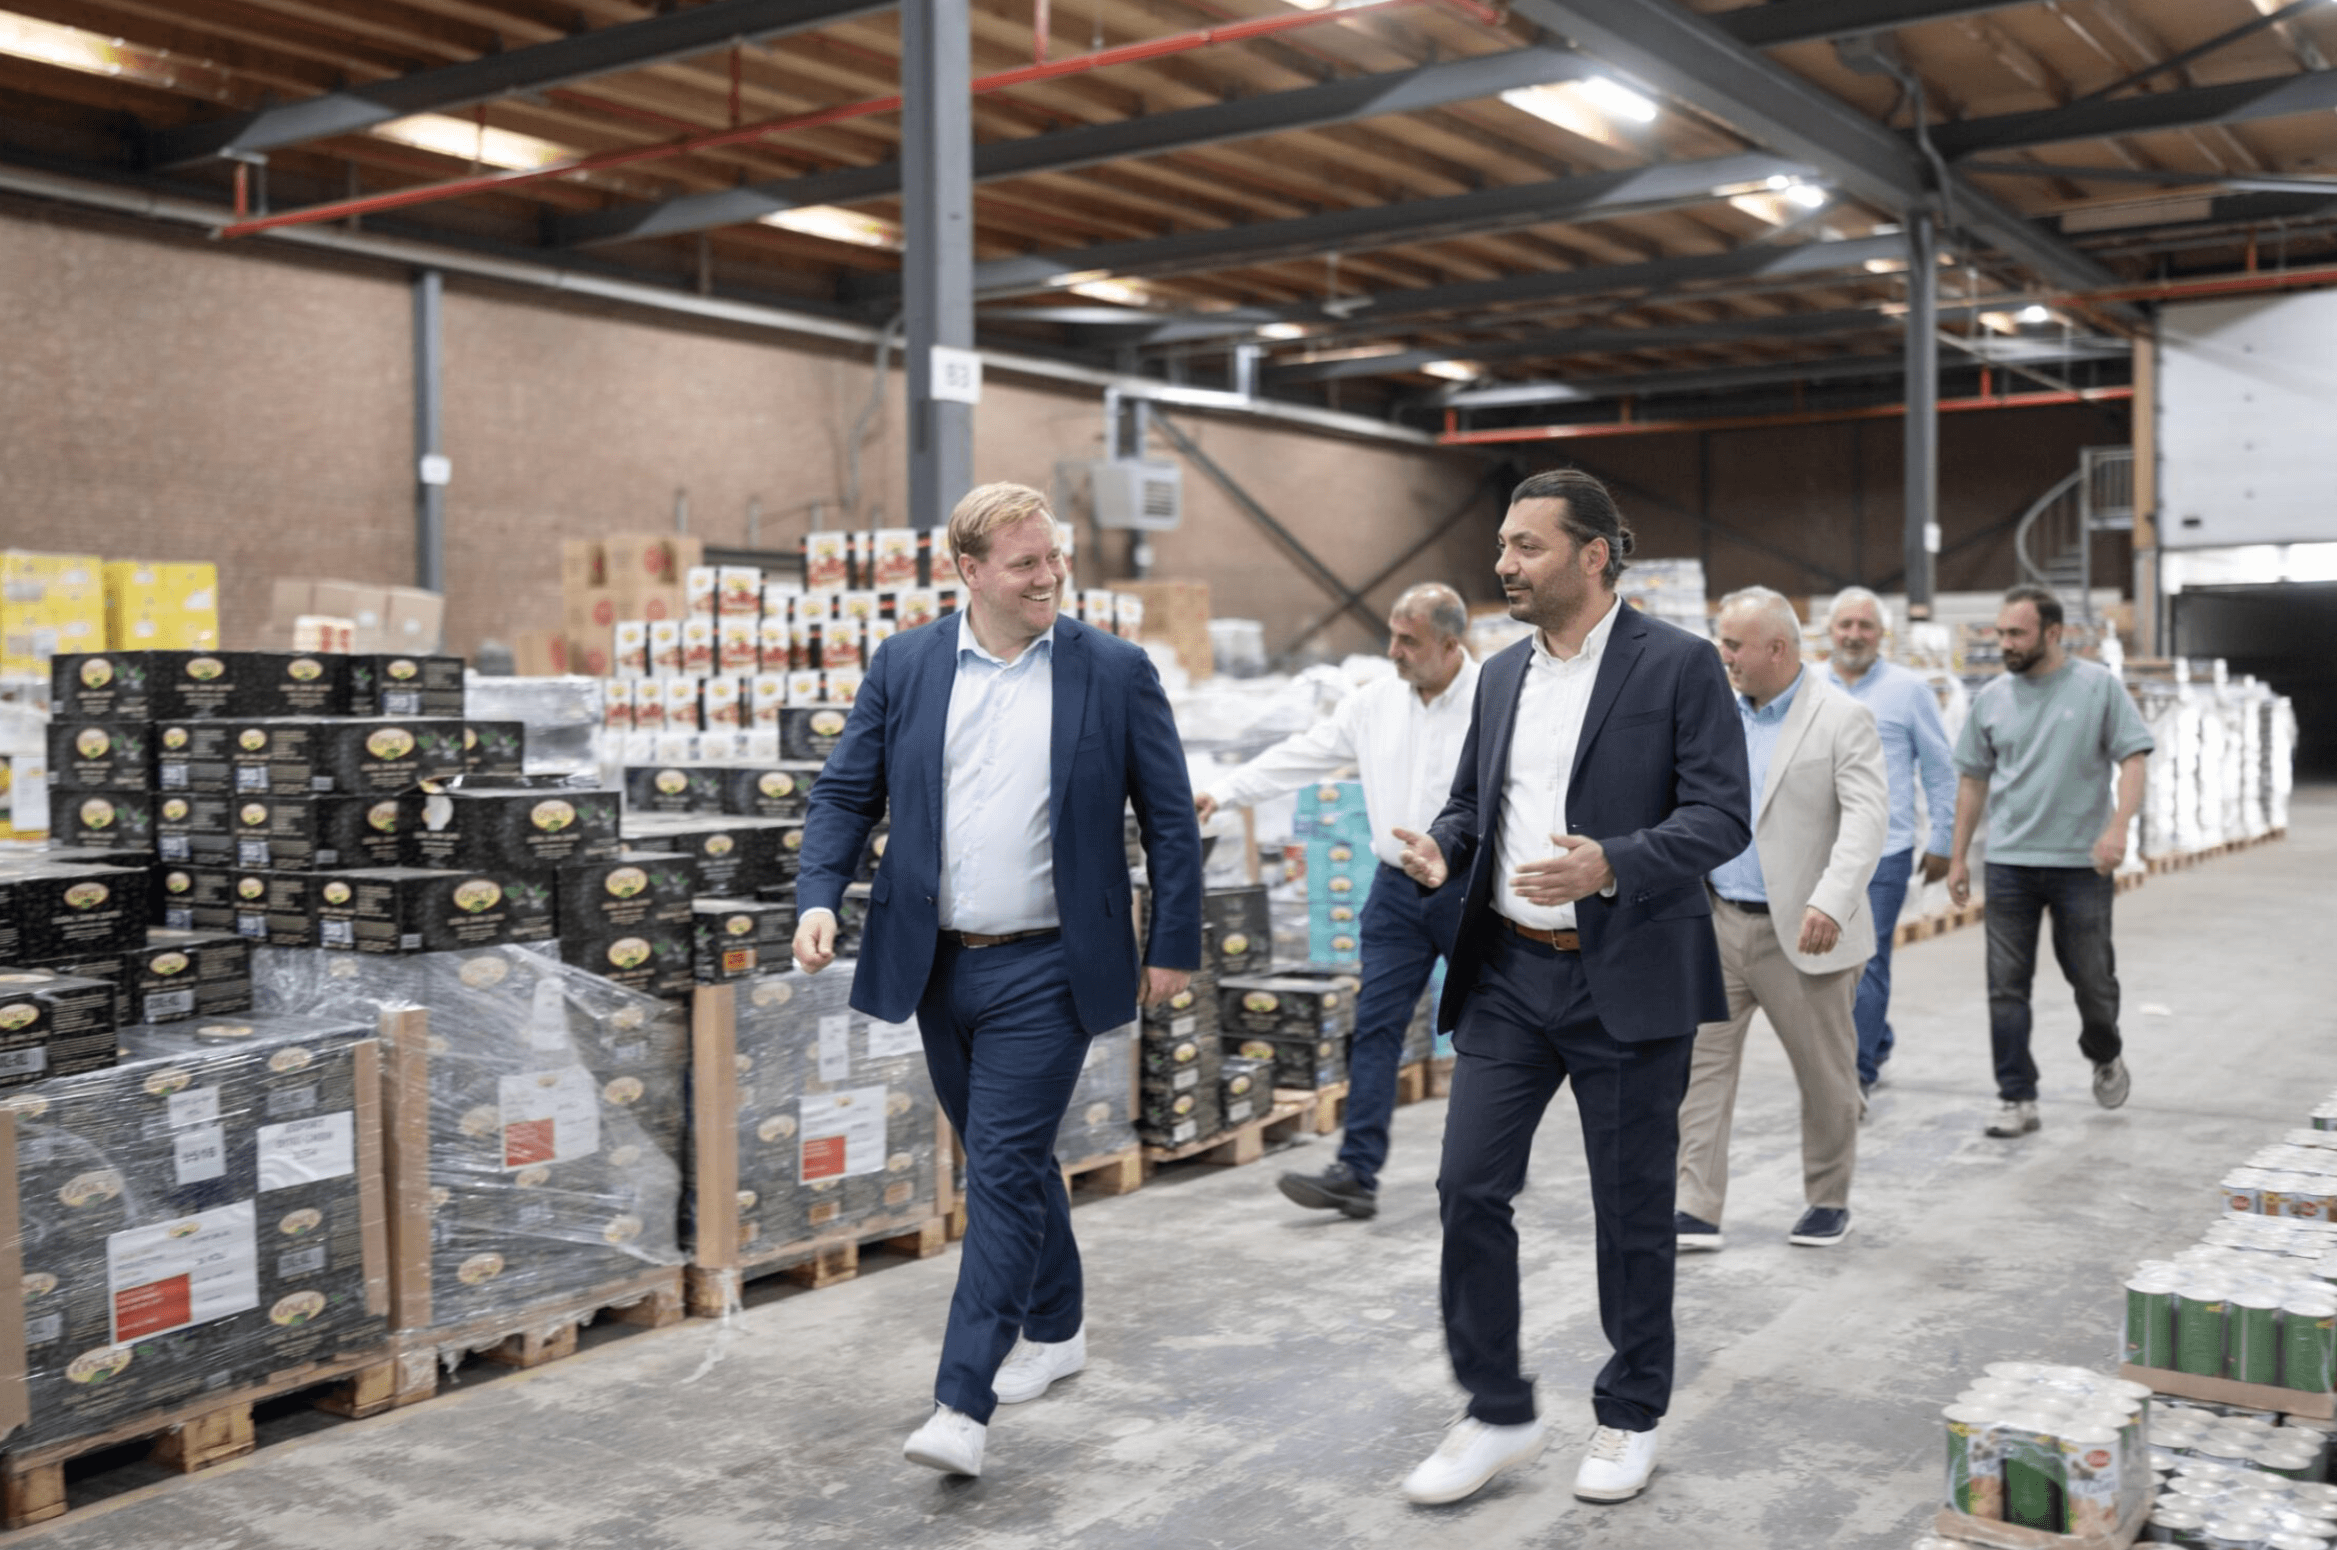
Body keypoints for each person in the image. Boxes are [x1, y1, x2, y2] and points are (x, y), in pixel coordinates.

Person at [792, 482, 1203, 1480]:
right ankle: (1059, 1327)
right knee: (1010, 1159)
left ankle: (961, 1398)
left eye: (1054, 557)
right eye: (1025, 562)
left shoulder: (1111, 670)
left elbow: (1172, 817)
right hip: (936, 960)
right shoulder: (909, 664)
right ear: (968, 570)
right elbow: (849, 786)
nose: (1049, 575)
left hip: (1052, 964)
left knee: (1000, 1169)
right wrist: (816, 892)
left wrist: (1174, 943)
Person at [1388, 468, 1751, 1508]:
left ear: (1594, 554)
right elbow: (1472, 803)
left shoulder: (1678, 666)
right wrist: (1442, 849)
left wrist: (1615, 861)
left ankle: (1630, 1411)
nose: (1504, 563)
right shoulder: (1501, 676)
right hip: (1507, 970)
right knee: (1467, 1185)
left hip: (1625, 977)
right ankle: (1496, 1407)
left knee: (1630, 1208)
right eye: (1503, 544)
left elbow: (1724, 815)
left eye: (1528, 546)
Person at [1194, 583, 1478, 1219]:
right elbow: (1306, 754)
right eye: (1394, 634)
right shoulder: (1374, 702)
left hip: (1470, 890)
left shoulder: (1495, 700)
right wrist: (1227, 791)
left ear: (1450, 643)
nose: (1394, 649)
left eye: (1410, 639)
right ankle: (1356, 1172)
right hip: (1395, 891)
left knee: (1490, 1033)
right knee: (1374, 1026)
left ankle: (1488, 1165)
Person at [1674, 588, 1888, 1254]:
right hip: (1717, 923)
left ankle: (1827, 1199)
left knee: (1824, 1076)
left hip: (1803, 927)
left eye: (1734, 644)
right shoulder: (1715, 714)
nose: (1723, 655)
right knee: (1699, 1071)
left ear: (1777, 648)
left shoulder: (1840, 718)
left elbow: (1865, 818)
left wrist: (1831, 898)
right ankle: (1694, 1206)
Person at [1944, 584, 2152, 1139]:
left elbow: (2134, 757)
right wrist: (1958, 856)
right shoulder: (1990, 700)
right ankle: (2016, 1096)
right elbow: (1972, 780)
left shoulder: (2097, 689)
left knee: (2092, 979)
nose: (2004, 644)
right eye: (2001, 633)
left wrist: (2118, 829)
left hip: (2081, 864)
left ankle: (2104, 1050)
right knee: (2006, 986)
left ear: (2053, 633)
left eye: (2017, 633)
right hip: (2011, 864)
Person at [1824, 587, 1958, 1100]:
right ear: (1830, 632)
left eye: (1866, 626)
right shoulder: (1807, 687)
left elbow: (1942, 771)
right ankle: (1875, 1038)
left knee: (1867, 959)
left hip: (1885, 850)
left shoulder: (1910, 690)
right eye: (1846, 625)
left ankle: (1854, 1075)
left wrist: (1943, 841)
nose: (1855, 635)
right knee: (1828, 962)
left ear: (1883, 635)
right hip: (1821, 851)